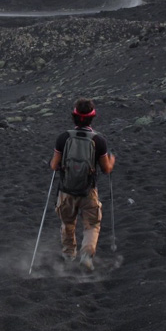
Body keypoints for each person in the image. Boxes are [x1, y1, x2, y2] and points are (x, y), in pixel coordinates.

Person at [49, 98, 115, 271]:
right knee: (92, 224)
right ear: (92, 117)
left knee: (67, 223)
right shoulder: (99, 140)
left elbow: (54, 166)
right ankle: (86, 255)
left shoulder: (63, 138)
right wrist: (112, 161)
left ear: (74, 116)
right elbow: (106, 169)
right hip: (88, 191)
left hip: (66, 190)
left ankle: (69, 256)